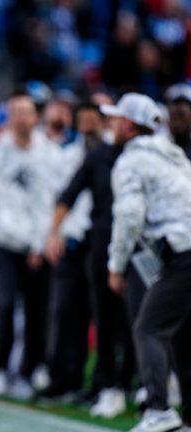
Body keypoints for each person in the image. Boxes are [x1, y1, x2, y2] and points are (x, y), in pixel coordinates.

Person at [103, 93, 191, 432]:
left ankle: (158, 408)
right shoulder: (178, 157)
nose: (110, 124)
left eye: (114, 118)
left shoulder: (132, 160)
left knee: (148, 328)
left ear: (128, 124)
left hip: (181, 253)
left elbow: (129, 216)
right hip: (182, 251)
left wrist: (115, 265)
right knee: (182, 333)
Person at [0, 91, 60, 400]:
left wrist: (43, 242)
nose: (21, 117)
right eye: (15, 111)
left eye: (26, 111)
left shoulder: (50, 154)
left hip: (37, 244)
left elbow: (53, 202)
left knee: (36, 310)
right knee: (4, 304)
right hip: (5, 240)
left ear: (36, 116)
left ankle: (28, 373)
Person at [47, 101, 138, 416]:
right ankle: (107, 384)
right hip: (102, 245)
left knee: (137, 320)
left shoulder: (144, 157)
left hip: (139, 248)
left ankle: (132, 384)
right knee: (104, 319)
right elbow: (68, 194)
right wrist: (54, 233)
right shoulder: (97, 156)